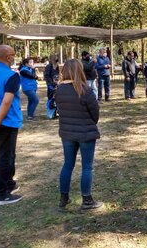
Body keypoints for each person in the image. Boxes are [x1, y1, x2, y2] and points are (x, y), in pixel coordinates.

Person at [55, 59, 103, 211]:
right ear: (80, 70)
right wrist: (90, 123)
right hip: (86, 133)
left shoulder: (59, 90)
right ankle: (87, 200)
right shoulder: (85, 90)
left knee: (68, 164)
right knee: (87, 167)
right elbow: (95, 113)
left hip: (67, 133)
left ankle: (63, 198)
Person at [0, 45, 23, 206]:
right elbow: (6, 101)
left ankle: (9, 183)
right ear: (9, 57)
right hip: (5, 121)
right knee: (5, 157)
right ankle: (0, 194)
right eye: (14, 55)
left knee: (9, 154)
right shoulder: (11, 76)